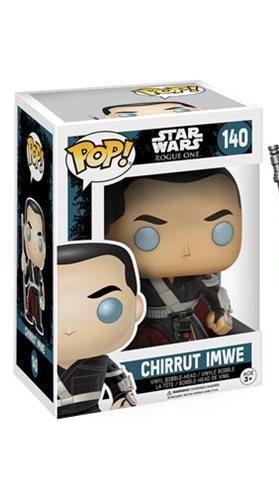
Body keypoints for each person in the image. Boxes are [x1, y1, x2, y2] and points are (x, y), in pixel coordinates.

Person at [105, 168, 242, 347]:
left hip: (191, 328)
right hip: (149, 332)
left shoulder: (200, 274)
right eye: (147, 236)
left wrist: (220, 312)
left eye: (220, 232)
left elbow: (212, 292)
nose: (186, 249)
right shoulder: (134, 279)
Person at [57, 242, 145, 417]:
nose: (69, 329)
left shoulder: (99, 361)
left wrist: (122, 397)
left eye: (107, 309)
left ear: (136, 307)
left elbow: (117, 381)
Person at [21, 198, 46, 335]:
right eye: (29, 234)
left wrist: (42, 296)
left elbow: (41, 282)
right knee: (30, 303)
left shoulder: (37, 269)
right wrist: (24, 267)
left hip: (36, 288)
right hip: (31, 287)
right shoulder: (29, 263)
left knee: (37, 308)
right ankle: (30, 315)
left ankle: (39, 323)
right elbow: (25, 279)